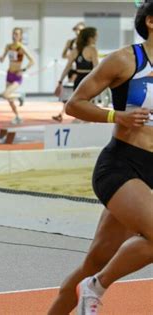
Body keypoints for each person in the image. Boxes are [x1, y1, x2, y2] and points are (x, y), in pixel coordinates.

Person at [48, 4, 153, 314]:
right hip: (122, 166)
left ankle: (84, 287)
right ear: (150, 21)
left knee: (94, 260)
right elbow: (74, 104)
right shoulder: (126, 59)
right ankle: (96, 287)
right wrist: (116, 115)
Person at [54, 27, 98, 123]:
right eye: (95, 36)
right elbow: (96, 68)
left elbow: (67, 67)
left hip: (79, 80)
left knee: (79, 105)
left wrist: (60, 81)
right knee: (88, 107)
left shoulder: (75, 50)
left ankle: (78, 123)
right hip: (89, 80)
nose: (96, 39)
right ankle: (84, 126)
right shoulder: (92, 49)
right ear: (90, 38)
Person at [0, 27, 35, 125]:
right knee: (9, 100)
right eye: (14, 33)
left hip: (16, 76)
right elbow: (3, 58)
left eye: (17, 34)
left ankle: (20, 96)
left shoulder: (22, 47)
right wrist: (1, 58)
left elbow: (32, 61)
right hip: (9, 74)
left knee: (5, 95)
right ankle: (18, 116)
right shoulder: (8, 46)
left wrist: (23, 70)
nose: (15, 36)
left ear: (20, 36)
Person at [53, 22, 85, 122]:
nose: (78, 32)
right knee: (72, 93)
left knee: (74, 93)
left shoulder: (86, 44)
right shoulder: (70, 42)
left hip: (80, 71)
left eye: (80, 30)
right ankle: (67, 114)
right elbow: (63, 55)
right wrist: (71, 57)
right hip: (71, 69)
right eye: (76, 30)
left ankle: (62, 114)